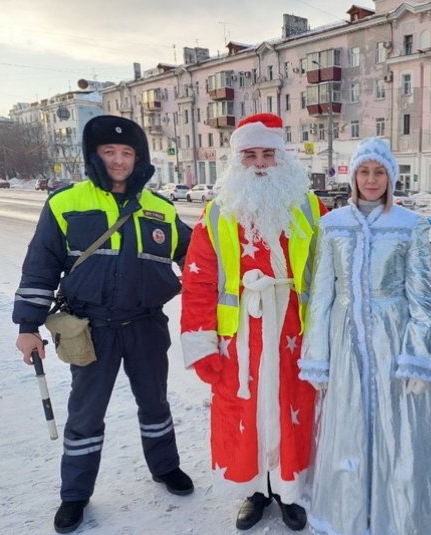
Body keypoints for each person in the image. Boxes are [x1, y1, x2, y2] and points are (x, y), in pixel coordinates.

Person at [13, 115, 194, 534]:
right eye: (109, 152)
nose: (118, 160)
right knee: (85, 414)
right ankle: (75, 494)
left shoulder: (160, 208)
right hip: (91, 327)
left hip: (146, 325)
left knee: (155, 404)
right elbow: (40, 265)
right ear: (94, 155)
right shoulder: (65, 203)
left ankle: (165, 468)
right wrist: (27, 325)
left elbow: (198, 259)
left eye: (126, 153)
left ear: (138, 159)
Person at [180, 113, 326, 532]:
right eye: (251, 155)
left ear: (282, 158)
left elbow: (334, 272)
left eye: (268, 154)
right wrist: (202, 344)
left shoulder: (311, 208)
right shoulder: (216, 213)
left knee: (290, 410)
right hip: (240, 337)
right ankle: (255, 490)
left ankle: (289, 490)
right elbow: (199, 281)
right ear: (236, 159)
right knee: (245, 413)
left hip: (292, 333)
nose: (260, 163)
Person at [299, 137, 431, 535]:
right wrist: (318, 356)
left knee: (395, 438)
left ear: (390, 177)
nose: (371, 179)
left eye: (378, 172)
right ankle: (350, 519)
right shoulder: (332, 225)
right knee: (348, 433)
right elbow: (321, 296)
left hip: (393, 342)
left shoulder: (410, 225)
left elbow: (422, 297)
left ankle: (396, 521)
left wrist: (417, 355)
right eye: (364, 171)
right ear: (352, 176)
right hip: (346, 343)